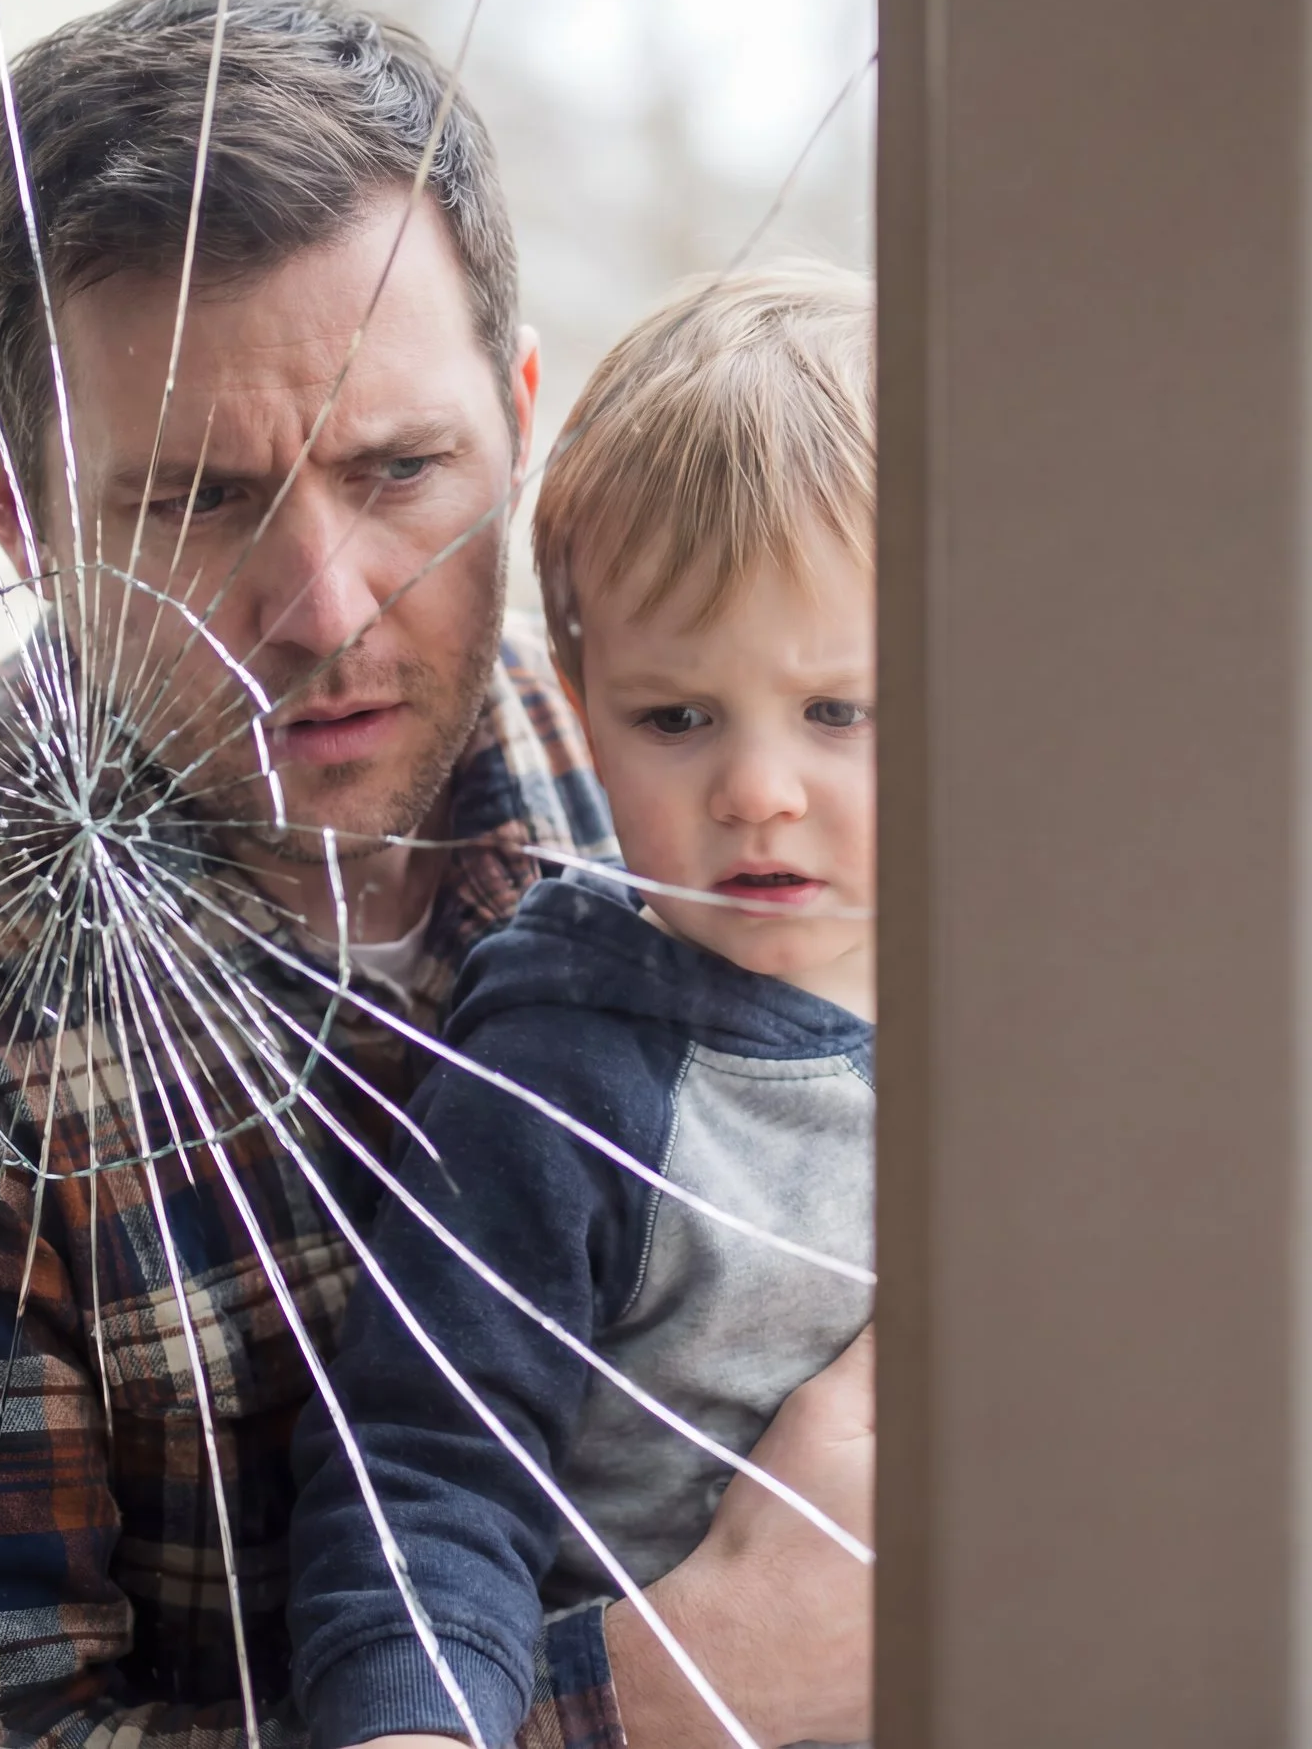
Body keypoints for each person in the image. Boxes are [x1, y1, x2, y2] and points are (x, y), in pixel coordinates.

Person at [0, 0, 868, 1749]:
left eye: (403, 468)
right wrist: (687, 1680)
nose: (327, 610)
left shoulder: (653, 757)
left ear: (522, 409)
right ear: (12, 506)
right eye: (191, 501)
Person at [289, 267, 874, 1749]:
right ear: (580, 688)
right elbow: (425, 1466)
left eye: (840, 710)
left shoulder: (1054, 1006)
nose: (758, 790)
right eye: (677, 717)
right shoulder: (568, 1073)